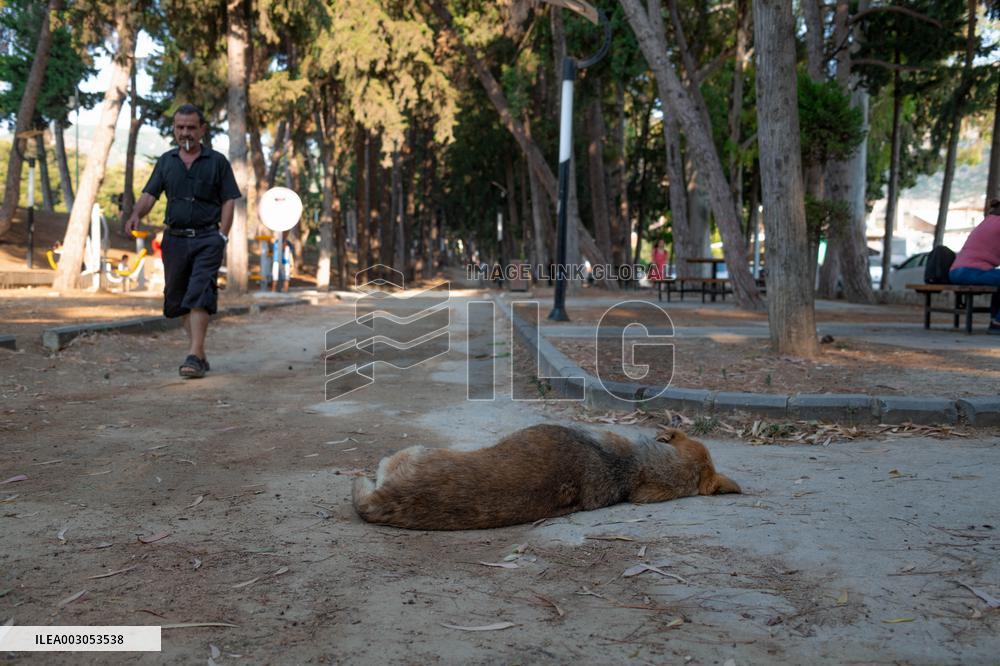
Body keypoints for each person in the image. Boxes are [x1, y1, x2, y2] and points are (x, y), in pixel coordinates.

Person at [125, 103, 241, 377]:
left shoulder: (217, 162)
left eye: (191, 127)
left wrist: (222, 235)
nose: (185, 132)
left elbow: (228, 200)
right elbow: (150, 195)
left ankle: (192, 355)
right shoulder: (167, 162)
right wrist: (135, 215)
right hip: (174, 241)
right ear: (174, 130)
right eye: (180, 127)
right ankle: (199, 352)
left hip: (207, 238)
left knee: (199, 293)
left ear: (202, 129)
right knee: (178, 298)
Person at [949, 198, 1000, 334]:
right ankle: (997, 322)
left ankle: (996, 321)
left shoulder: (988, 221)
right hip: (970, 271)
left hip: (959, 271)